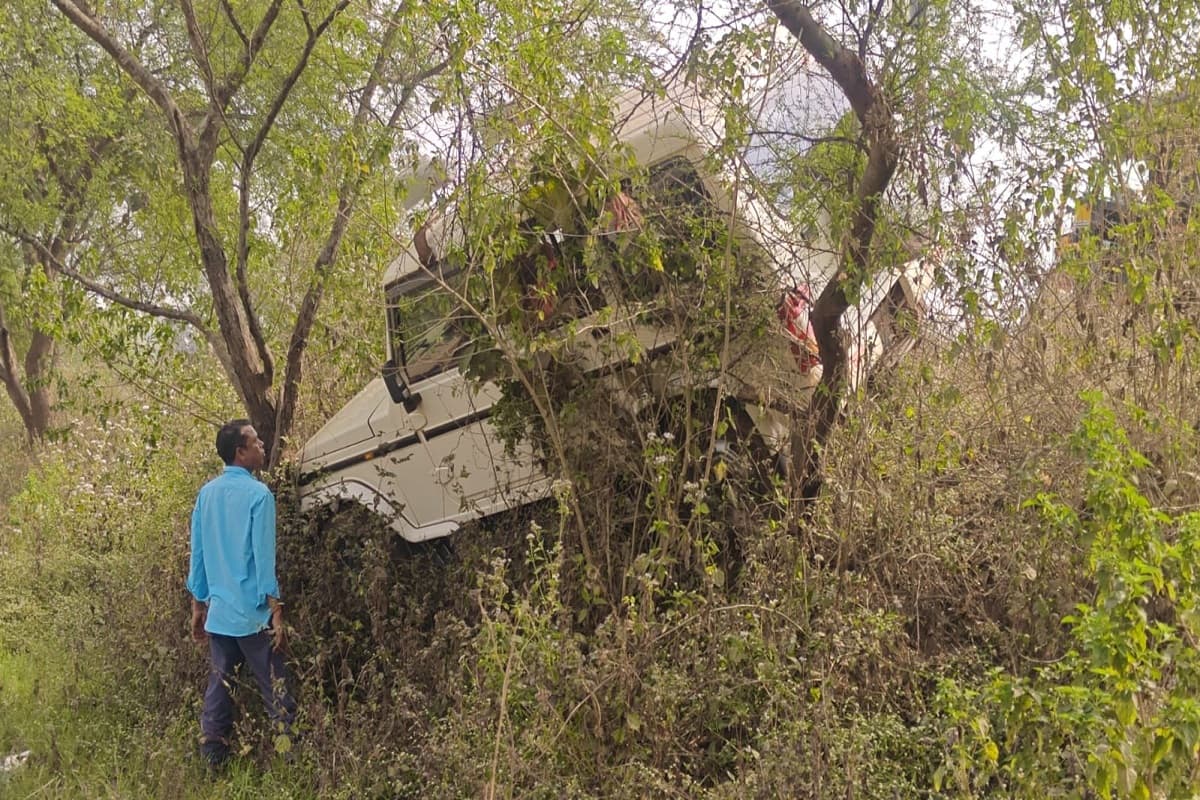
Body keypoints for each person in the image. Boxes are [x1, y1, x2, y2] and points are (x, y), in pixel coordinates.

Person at [187, 419, 296, 769]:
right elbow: (264, 561)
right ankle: (288, 759)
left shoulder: (207, 494)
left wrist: (198, 605)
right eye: (256, 442)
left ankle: (212, 759)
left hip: (219, 616)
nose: (262, 445)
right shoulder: (259, 496)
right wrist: (276, 613)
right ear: (241, 452)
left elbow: (199, 555)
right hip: (253, 617)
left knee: (219, 687)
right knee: (276, 690)